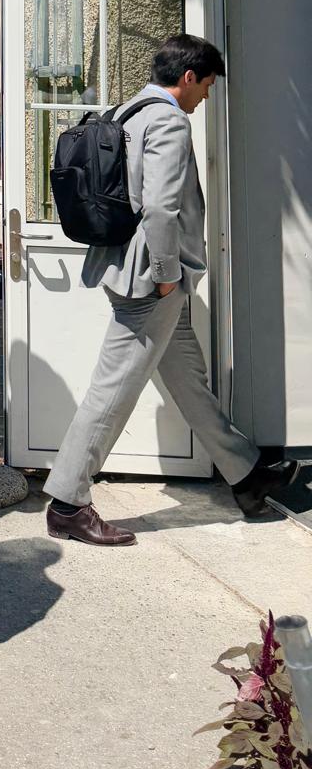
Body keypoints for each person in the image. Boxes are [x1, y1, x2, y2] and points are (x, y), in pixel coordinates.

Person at [44, 34, 298, 545]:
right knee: (113, 390)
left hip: (125, 267)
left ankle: (247, 476)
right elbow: (160, 207)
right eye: (206, 86)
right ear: (188, 77)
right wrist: (166, 275)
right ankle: (68, 503)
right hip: (151, 279)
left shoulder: (128, 111)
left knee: (188, 381)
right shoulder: (168, 120)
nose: (205, 97)